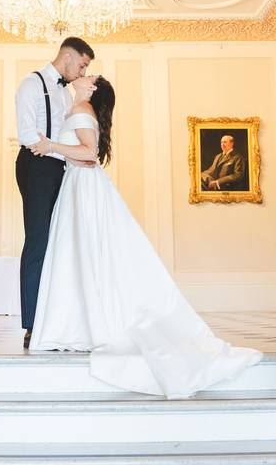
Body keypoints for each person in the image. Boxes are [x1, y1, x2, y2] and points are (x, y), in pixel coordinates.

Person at [26, 76, 262, 398]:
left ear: (92, 90)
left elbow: (89, 153)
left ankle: (84, 324)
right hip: (78, 185)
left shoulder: (81, 108)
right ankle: (81, 321)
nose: (82, 76)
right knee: (82, 255)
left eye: (88, 77)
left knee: (84, 254)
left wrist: (50, 145)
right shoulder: (76, 107)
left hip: (83, 184)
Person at [15, 36, 94, 349]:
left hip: (61, 168)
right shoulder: (32, 84)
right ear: (68, 56)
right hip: (36, 166)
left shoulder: (66, 93)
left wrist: (75, 158)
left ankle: (56, 318)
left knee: (59, 243)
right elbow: (28, 136)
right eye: (83, 64)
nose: (83, 71)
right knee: (38, 242)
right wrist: (70, 155)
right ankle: (32, 324)